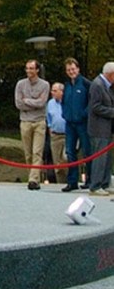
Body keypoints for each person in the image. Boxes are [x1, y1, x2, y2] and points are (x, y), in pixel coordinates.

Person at [14, 59, 50, 190]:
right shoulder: (20, 84)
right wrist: (34, 102)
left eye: (31, 68)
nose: (28, 71)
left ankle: (33, 179)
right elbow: (18, 103)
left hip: (39, 122)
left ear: (37, 70)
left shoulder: (45, 85)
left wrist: (27, 101)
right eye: (27, 68)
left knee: (37, 152)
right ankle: (33, 176)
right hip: (25, 122)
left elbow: (42, 103)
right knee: (28, 153)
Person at [61, 57, 91, 192]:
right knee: (70, 152)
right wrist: (65, 113)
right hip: (69, 123)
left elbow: (92, 102)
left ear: (78, 69)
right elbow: (64, 102)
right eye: (68, 70)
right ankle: (72, 181)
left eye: (73, 69)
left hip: (83, 123)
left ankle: (89, 180)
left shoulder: (85, 84)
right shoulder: (67, 85)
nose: (71, 72)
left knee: (87, 151)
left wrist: (84, 114)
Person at [88, 61, 114, 195]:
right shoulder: (97, 85)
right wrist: (112, 112)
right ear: (111, 74)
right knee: (100, 158)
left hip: (107, 128)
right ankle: (95, 186)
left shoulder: (107, 86)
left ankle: (105, 183)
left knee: (107, 158)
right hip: (98, 128)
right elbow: (95, 107)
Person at [46, 82, 67, 185]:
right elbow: (48, 118)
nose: (52, 92)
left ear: (61, 92)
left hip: (68, 135)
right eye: (52, 90)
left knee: (66, 159)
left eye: (55, 91)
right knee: (57, 162)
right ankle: (60, 183)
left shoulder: (68, 102)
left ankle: (71, 181)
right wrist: (50, 127)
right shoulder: (50, 103)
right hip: (55, 135)